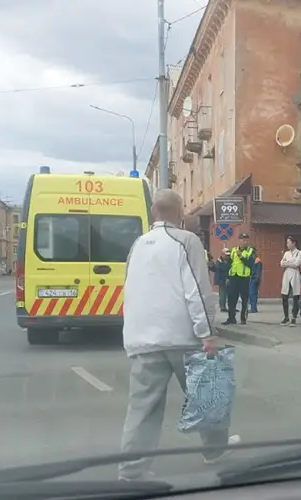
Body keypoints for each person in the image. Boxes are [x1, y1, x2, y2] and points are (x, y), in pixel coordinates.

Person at [118, 189, 239, 481]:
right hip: (181, 336)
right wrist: (207, 333)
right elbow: (197, 290)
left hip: (142, 338)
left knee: (143, 407)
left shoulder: (137, 244)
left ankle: (131, 471)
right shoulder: (187, 241)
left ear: (153, 213)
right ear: (181, 213)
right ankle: (214, 450)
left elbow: (130, 289)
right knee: (208, 394)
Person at [223, 233, 255, 325]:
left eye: (246, 240)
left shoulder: (251, 251)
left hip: (244, 278)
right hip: (233, 277)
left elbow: (250, 264)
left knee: (244, 299)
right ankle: (231, 318)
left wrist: (241, 256)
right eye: (242, 239)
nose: (244, 241)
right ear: (239, 240)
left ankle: (243, 318)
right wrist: (227, 276)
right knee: (231, 298)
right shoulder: (233, 250)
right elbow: (229, 264)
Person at [280, 236, 301, 326]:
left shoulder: (299, 253)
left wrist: (287, 263)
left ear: (293, 243)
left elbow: (296, 264)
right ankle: (286, 317)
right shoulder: (286, 253)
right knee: (284, 296)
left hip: (295, 274)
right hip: (287, 274)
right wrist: (290, 263)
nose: (287, 244)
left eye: (288, 242)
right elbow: (281, 263)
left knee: (295, 296)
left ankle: (294, 317)